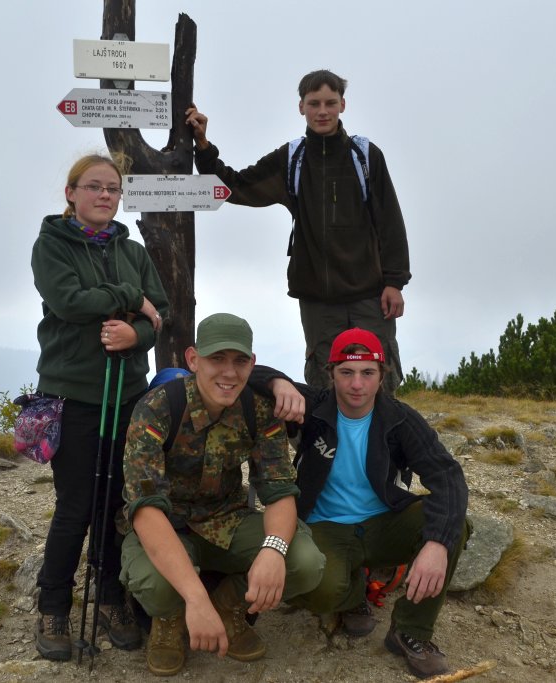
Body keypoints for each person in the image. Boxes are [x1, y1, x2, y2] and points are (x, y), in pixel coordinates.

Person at [248, 328, 469, 679]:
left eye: (367, 372)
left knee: (451, 524)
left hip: (384, 523)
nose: (356, 384)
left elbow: (448, 477)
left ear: (382, 375)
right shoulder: (314, 406)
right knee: (315, 591)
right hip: (324, 526)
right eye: (346, 372)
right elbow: (248, 373)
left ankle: (410, 630)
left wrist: (437, 544)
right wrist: (279, 383)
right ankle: (353, 596)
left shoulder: (400, 419)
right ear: (331, 373)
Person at [119, 313, 325, 676]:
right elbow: (146, 510)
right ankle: (170, 619)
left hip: (227, 521)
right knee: (155, 584)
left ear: (252, 364)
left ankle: (228, 607)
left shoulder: (259, 410)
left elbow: (279, 490)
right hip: (168, 526)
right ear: (193, 359)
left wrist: (273, 550)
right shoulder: (157, 409)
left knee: (304, 562)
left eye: (239, 361)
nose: (229, 372)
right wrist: (194, 598)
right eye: (217, 358)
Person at [185, 70, 410, 393]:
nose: (323, 111)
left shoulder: (365, 156)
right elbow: (236, 185)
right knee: (326, 384)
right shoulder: (292, 159)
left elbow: (390, 221)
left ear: (343, 105)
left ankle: (383, 429)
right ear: (301, 106)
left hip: (371, 296)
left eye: (330, 103)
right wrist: (203, 146)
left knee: (378, 379)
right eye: (314, 103)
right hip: (318, 300)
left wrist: (394, 282)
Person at [31, 152, 170, 661]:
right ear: (71, 193)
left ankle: (111, 596)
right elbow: (69, 302)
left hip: (128, 392)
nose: (105, 195)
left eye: (112, 188)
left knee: (116, 504)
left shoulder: (131, 249)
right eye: (93, 186)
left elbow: (160, 313)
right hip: (73, 394)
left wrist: (137, 335)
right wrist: (131, 296)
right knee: (75, 505)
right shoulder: (52, 244)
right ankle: (53, 606)